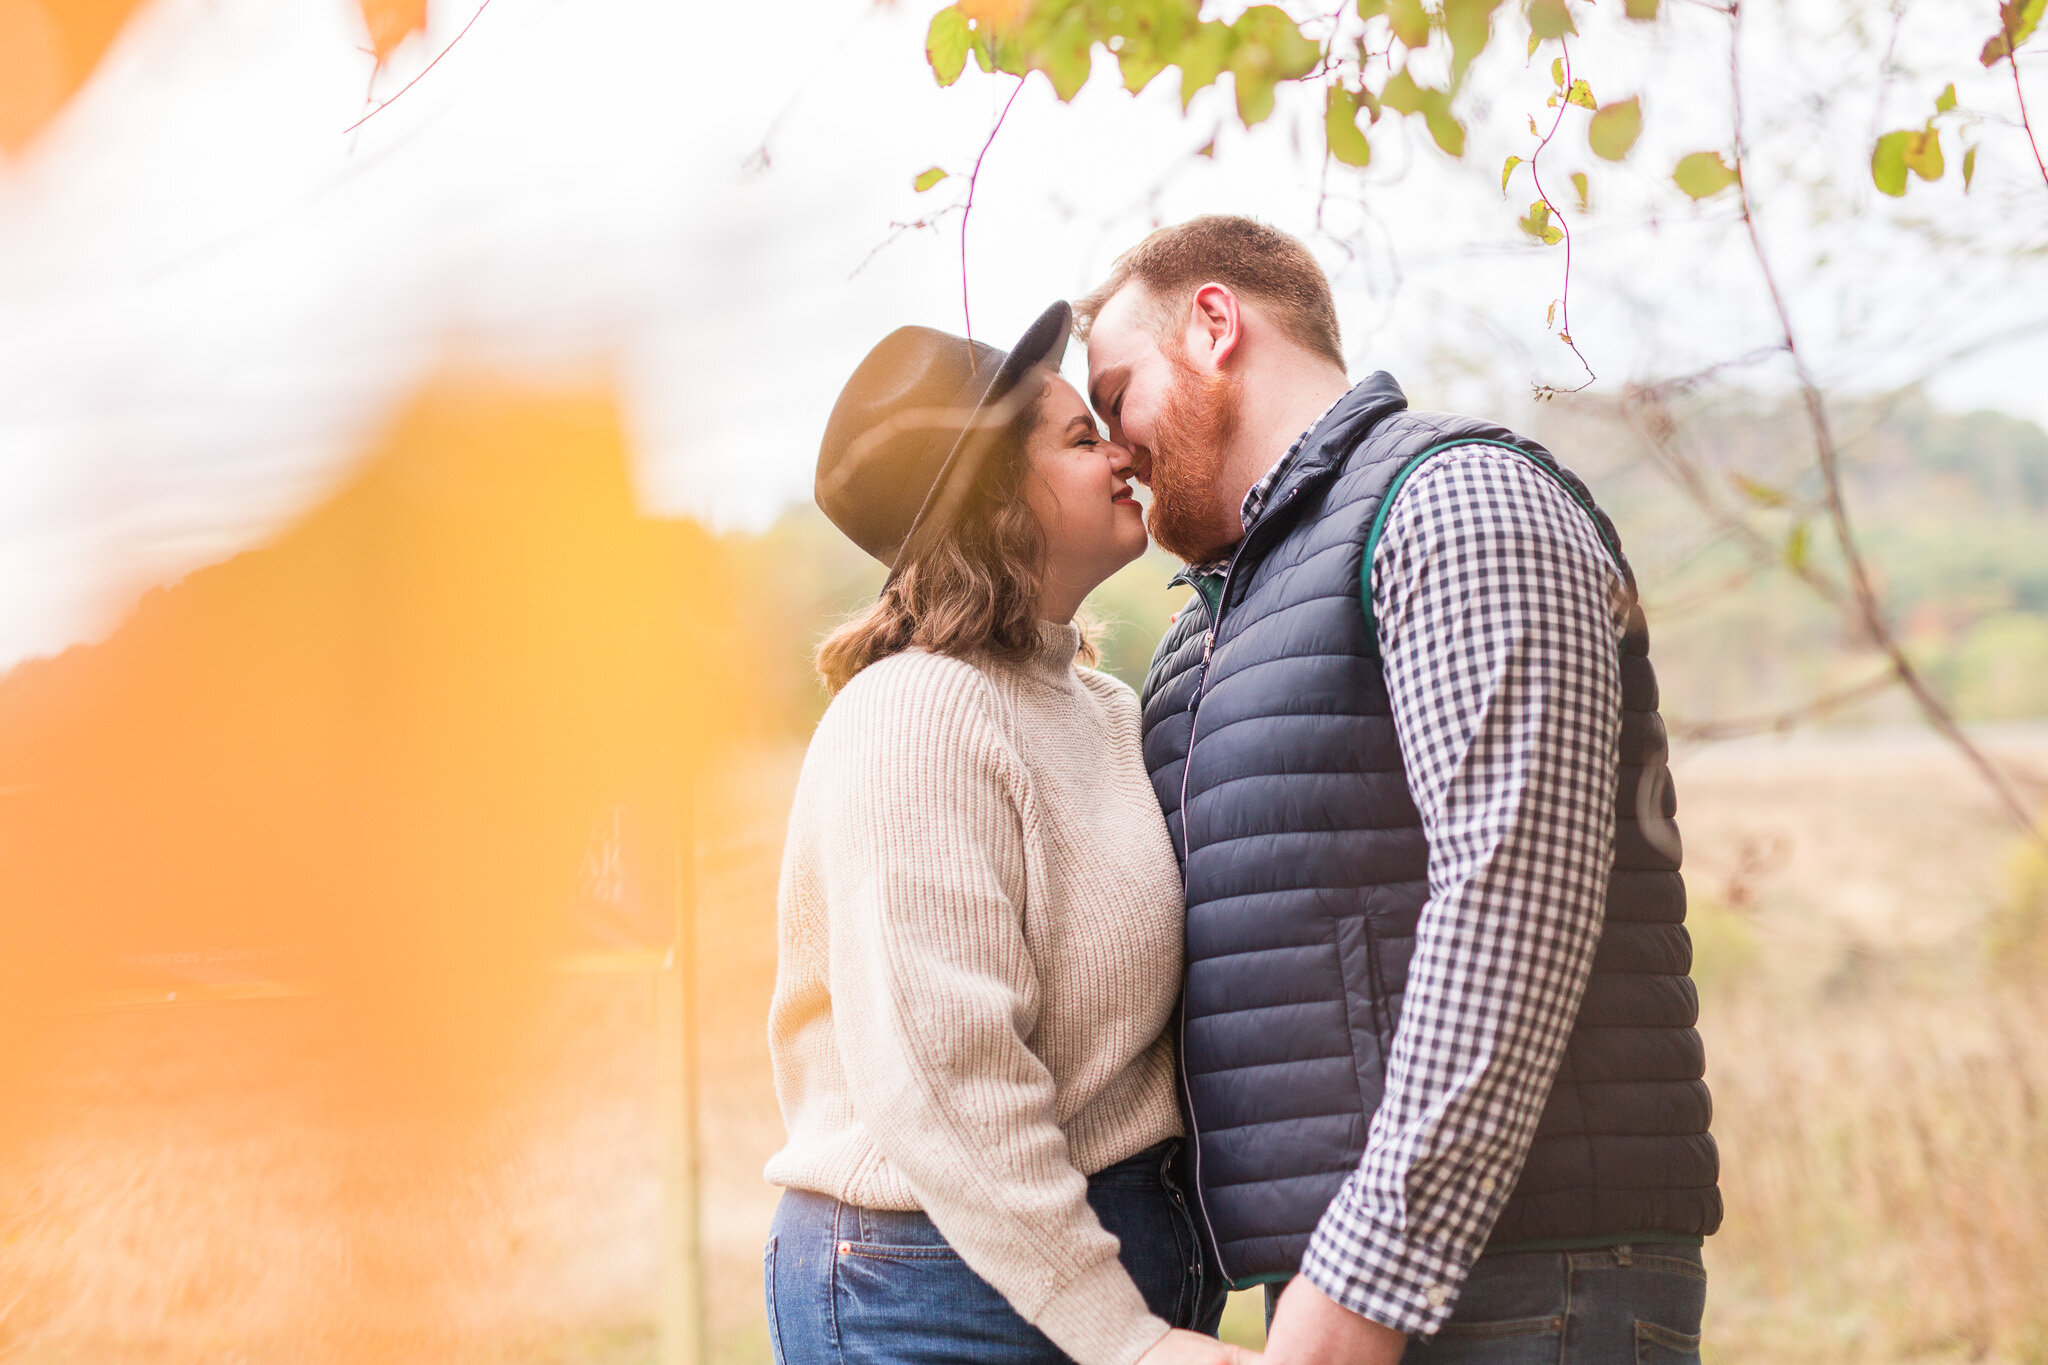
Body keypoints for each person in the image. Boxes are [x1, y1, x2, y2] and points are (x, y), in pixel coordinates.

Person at [1075, 217, 1721, 1364]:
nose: (1110, 447)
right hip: (1334, 1293)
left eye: (1115, 393)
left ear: (1213, 325)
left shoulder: (1453, 502)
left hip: (1515, 1287)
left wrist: (1361, 1280)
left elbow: (1511, 895)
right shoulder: (1196, 644)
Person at [762, 302, 1246, 1365]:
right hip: (935, 1287)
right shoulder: (916, 717)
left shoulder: (1101, 708)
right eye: (1080, 440)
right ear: (994, 502)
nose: (1123, 450)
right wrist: (1123, 1340)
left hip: (1080, 1259)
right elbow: (946, 1080)